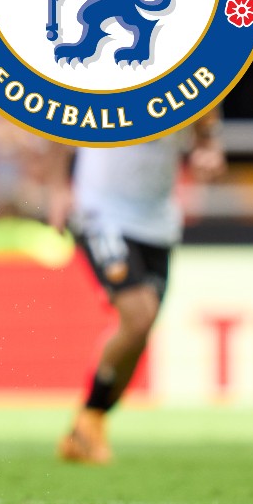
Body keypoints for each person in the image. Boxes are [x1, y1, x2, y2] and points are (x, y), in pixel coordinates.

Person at [48, 113, 225, 463]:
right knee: (138, 316)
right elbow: (58, 125)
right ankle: (87, 421)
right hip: (101, 210)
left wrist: (209, 151)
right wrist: (57, 189)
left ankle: (88, 425)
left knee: (140, 331)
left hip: (158, 221)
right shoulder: (108, 76)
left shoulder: (189, 81)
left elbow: (206, 128)